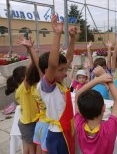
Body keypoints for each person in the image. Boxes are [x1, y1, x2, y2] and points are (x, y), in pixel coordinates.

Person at [36, 14, 76, 154]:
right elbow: (53, 64)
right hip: (57, 135)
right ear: (48, 71)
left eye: (66, 69)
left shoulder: (59, 81)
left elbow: (68, 58)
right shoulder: (47, 86)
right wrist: (57, 34)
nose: (65, 72)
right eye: (61, 70)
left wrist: (72, 38)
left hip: (67, 129)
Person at [74, 66, 117, 154]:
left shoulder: (78, 124)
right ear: (104, 108)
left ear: (81, 112)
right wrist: (104, 75)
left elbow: (77, 94)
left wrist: (98, 79)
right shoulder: (109, 129)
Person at [14, 36, 41, 154]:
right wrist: (31, 50)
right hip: (28, 124)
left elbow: (31, 68)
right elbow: (30, 70)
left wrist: (31, 49)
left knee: (29, 148)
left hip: (30, 122)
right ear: (22, 78)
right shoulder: (23, 88)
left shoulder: (31, 87)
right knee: (31, 149)